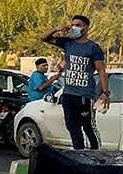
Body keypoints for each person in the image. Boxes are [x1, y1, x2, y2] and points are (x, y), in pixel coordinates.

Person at [42, 15, 110, 150]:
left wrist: (105, 92)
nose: (74, 28)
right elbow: (44, 38)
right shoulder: (68, 43)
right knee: (72, 126)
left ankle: (97, 153)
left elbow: (101, 71)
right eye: (72, 25)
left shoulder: (93, 47)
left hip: (84, 94)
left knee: (88, 126)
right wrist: (57, 28)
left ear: (85, 28)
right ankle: (79, 152)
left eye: (77, 25)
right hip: (68, 93)